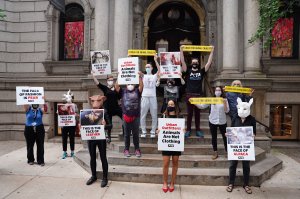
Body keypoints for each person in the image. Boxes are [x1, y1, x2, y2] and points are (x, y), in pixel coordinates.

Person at [180, 45, 215, 138]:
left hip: (198, 95)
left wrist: (212, 51)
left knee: (197, 114)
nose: (194, 63)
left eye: (196, 62)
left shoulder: (201, 71)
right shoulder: (187, 71)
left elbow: (209, 62)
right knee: (189, 114)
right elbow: (182, 61)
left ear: (198, 63)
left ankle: (198, 130)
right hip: (189, 95)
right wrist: (181, 50)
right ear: (191, 63)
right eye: (193, 62)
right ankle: (188, 130)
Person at [226, 97, 256, 194]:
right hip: (235, 146)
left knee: (246, 166)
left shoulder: (252, 119)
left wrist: (253, 135)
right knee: (232, 165)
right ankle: (231, 183)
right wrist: (228, 134)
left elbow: (254, 132)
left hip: (246, 147)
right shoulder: (235, 117)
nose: (242, 111)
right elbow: (231, 129)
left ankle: (246, 184)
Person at [195, 86, 229, 159]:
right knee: (214, 137)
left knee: (225, 137)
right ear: (214, 92)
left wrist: (225, 103)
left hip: (222, 121)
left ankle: (227, 152)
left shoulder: (224, 99)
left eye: (219, 90)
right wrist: (194, 103)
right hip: (212, 121)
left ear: (221, 92)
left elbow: (227, 111)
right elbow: (202, 106)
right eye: (216, 90)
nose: (218, 91)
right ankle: (215, 152)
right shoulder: (211, 100)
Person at [85, 95, 111, 188]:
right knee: (92, 157)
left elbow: (110, 125)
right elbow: (85, 124)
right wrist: (82, 126)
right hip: (91, 137)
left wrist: (105, 125)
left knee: (103, 157)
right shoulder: (87, 112)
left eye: (98, 101)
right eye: (93, 101)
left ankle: (105, 177)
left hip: (101, 138)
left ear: (102, 101)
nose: (95, 103)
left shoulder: (105, 112)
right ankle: (93, 176)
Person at [115, 72, 143, 157]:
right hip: (126, 116)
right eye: (128, 83)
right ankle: (126, 149)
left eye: (132, 83)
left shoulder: (137, 91)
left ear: (134, 85)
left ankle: (137, 149)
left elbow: (141, 86)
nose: (130, 85)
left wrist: (138, 77)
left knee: (135, 134)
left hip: (136, 116)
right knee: (126, 134)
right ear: (126, 84)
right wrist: (118, 76)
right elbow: (116, 86)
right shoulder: (123, 91)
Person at [91, 71, 123, 143]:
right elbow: (98, 84)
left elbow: (119, 93)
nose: (110, 81)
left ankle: (125, 132)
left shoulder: (116, 88)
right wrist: (93, 76)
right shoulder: (105, 88)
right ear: (107, 81)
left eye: (111, 80)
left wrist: (119, 75)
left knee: (124, 117)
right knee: (109, 124)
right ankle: (108, 136)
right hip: (107, 109)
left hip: (116, 108)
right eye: (109, 80)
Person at [158, 99, 182, 193]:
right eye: (169, 104)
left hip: (176, 143)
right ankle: (164, 182)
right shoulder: (163, 116)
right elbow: (159, 128)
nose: (170, 105)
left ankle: (172, 183)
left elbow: (182, 129)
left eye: (172, 104)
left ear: (175, 105)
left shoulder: (179, 117)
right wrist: (158, 131)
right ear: (166, 106)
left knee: (175, 163)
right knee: (166, 163)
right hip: (166, 142)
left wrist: (183, 131)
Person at [140, 54, 160, 138]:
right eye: (146, 67)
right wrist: (130, 58)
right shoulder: (142, 75)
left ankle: (153, 131)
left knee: (154, 115)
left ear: (151, 68)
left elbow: (159, 69)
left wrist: (155, 60)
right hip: (144, 96)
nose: (147, 68)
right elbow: (132, 69)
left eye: (149, 67)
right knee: (143, 115)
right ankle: (143, 131)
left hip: (152, 97)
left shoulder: (154, 76)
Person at [60, 90, 78, 159]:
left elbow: (77, 114)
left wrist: (76, 115)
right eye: (67, 98)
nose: (69, 99)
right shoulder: (62, 106)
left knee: (72, 138)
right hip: (64, 125)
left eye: (70, 97)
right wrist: (58, 113)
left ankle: (72, 151)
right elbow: (61, 115)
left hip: (72, 125)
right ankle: (64, 152)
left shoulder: (75, 105)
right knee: (64, 139)